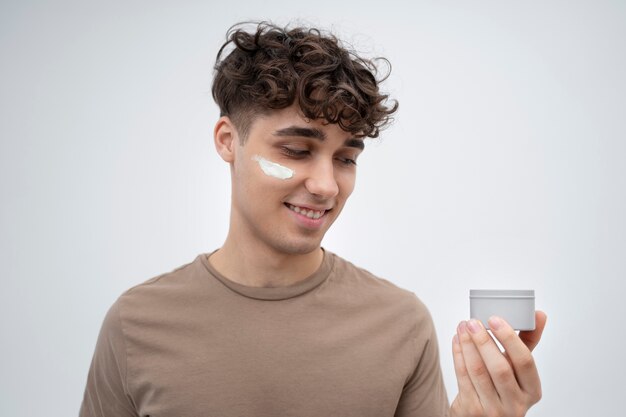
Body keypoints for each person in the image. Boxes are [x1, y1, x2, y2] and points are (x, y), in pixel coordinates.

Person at [79, 21, 547, 417]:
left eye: (346, 158)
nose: (326, 186)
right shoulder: (134, 324)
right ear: (228, 140)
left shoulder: (402, 324)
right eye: (297, 151)